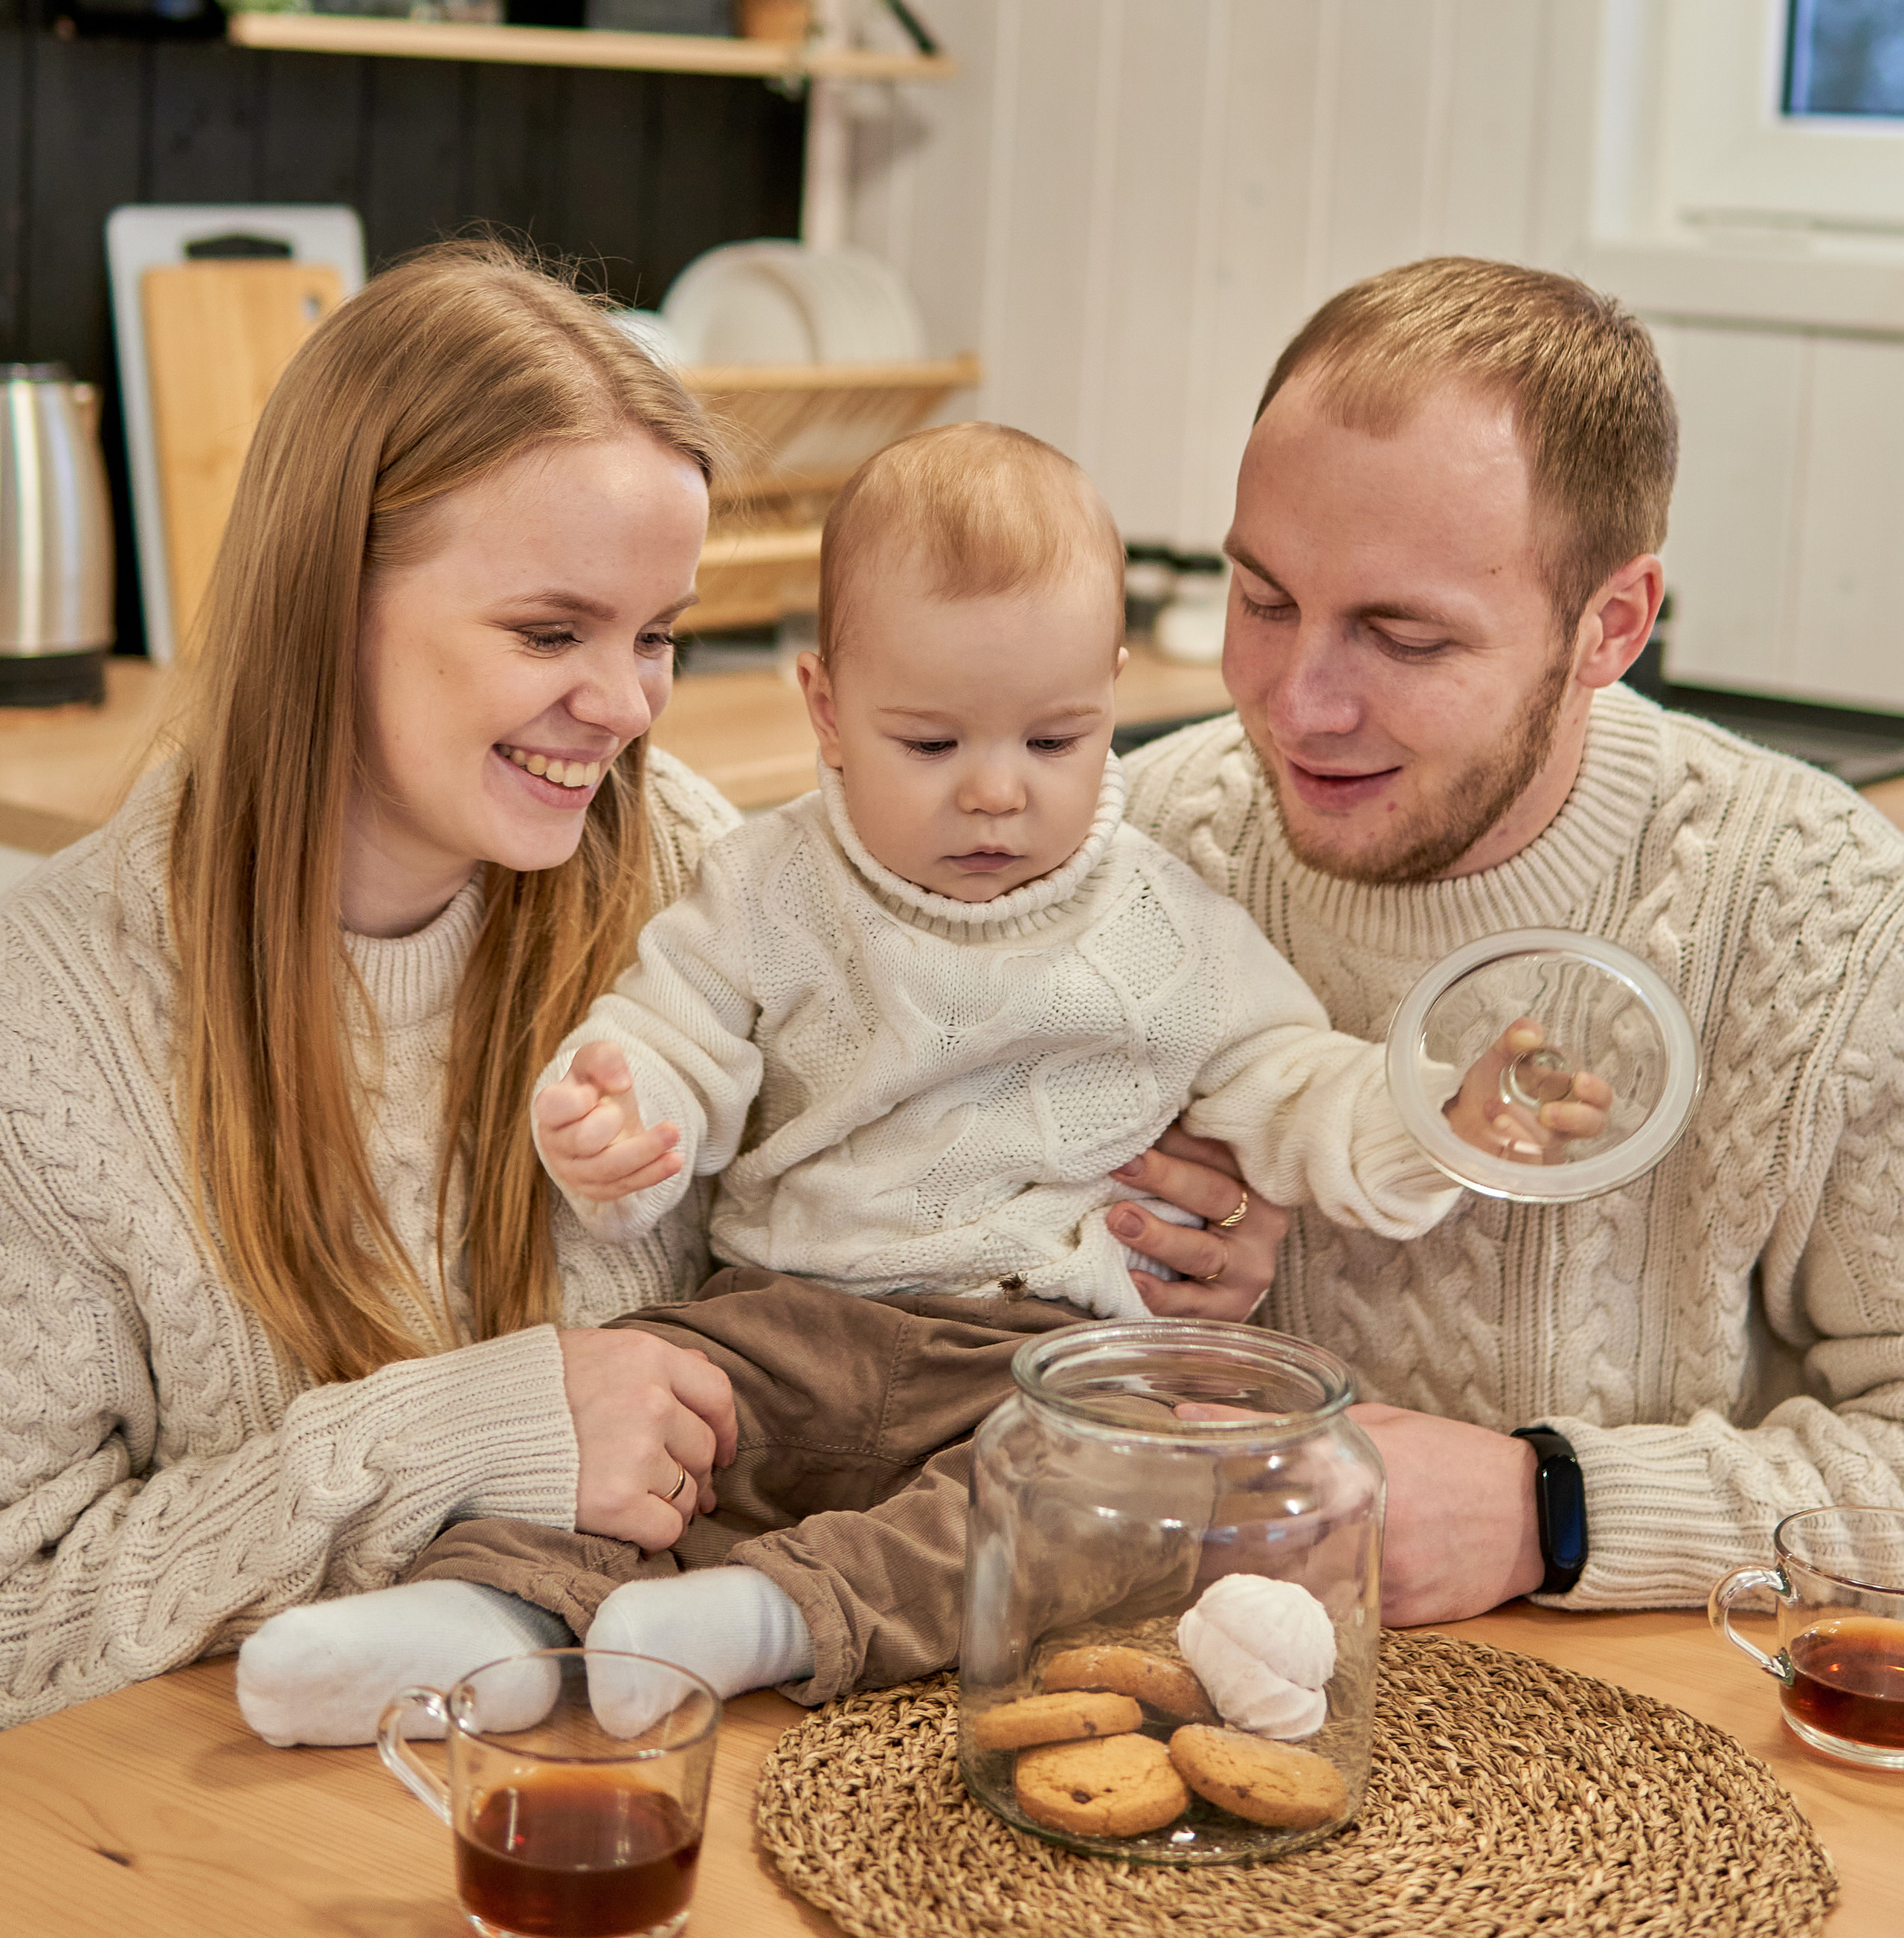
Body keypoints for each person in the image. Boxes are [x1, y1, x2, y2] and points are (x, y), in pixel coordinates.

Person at [0, 251, 1277, 1731]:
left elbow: (920, 1257)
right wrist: (485, 1428)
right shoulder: (49, 1017)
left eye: (655, 632)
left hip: (678, 1750)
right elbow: (21, 1613)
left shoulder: (694, 866)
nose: (624, 707)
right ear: (326, 599)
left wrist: (1176, 1242)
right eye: (551, 632)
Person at [237, 422, 1600, 1742]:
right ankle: (486, 1624)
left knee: (1097, 1495)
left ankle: (764, 1622)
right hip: (785, 1323)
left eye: (1056, 743)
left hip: (1030, 1357)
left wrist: (1435, 1112)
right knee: (626, 1419)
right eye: (934, 747)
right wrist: (614, 1116)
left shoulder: (1166, 924)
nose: (998, 795)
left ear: (1111, 698)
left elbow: (1301, 1091)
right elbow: (672, 1033)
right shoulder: (767, 884)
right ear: (827, 710)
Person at [1116, 254, 1904, 1626]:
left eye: (1403, 639)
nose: (1296, 705)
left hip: (1641, 1739)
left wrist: (1557, 1510)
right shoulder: (1139, 837)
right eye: (1262, 600)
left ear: (1611, 626)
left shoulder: (1823, 912)